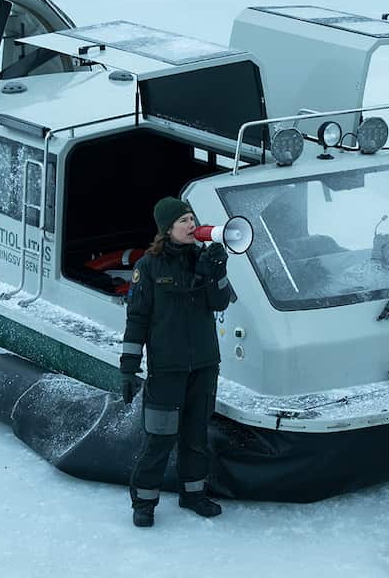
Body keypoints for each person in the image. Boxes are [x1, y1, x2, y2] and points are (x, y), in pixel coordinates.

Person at [120, 197, 232, 528]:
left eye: (192, 218)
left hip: (204, 365)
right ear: (167, 229)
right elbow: (137, 319)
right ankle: (144, 502)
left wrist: (217, 270)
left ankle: (193, 494)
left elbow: (220, 302)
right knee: (160, 437)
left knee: (196, 434)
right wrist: (129, 367)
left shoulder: (203, 258)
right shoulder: (148, 267)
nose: (191, 224)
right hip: (167, 368)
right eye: (184, 220)